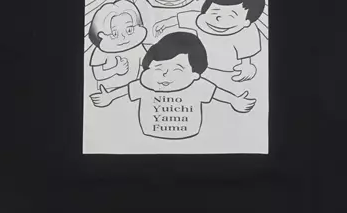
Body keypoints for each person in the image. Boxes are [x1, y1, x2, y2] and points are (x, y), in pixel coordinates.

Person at [90, 31, 255, 139]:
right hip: (147, 139)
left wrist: (234, 100)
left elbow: (216, 93)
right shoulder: (146, 85)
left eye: (177, 69)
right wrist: (109, 97)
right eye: (158, 67)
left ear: (195, 74)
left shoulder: (197, 86)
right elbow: (127, 90)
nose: (165, 74)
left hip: (191, 140)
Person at [153, 0, 265, 81]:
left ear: (247, 22)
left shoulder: (247, 33)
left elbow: (247, 55)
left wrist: (246, 67)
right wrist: (164, 24)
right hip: (198, 68)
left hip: (228, 72)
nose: (218, 19)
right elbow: (181, 19)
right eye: (214, 11)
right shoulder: (200, 20)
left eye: (231, 16)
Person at [87, 0, 148, 90]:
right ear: (100, 35)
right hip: (107, 90)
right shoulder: (101, 51)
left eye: (129, 30)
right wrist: (115, 70)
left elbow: (146, 63)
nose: (123, 37)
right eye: (114, 33)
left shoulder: (137, 47)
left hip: (131, 89)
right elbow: (97, 75)